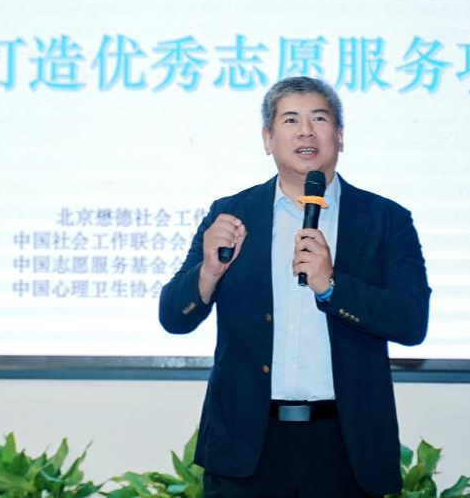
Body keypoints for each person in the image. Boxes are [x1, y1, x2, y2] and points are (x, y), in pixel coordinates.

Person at [159, 76, 431, 498]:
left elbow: (411, 323)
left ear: (340, 136)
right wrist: (209, 272)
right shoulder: (231, 214)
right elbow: (173, 318)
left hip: (345, 445)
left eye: (319, 119)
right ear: (268, 139)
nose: (305, 131)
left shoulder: (385, 219)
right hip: (248, 446)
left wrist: (332, 286)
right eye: (290, 120)